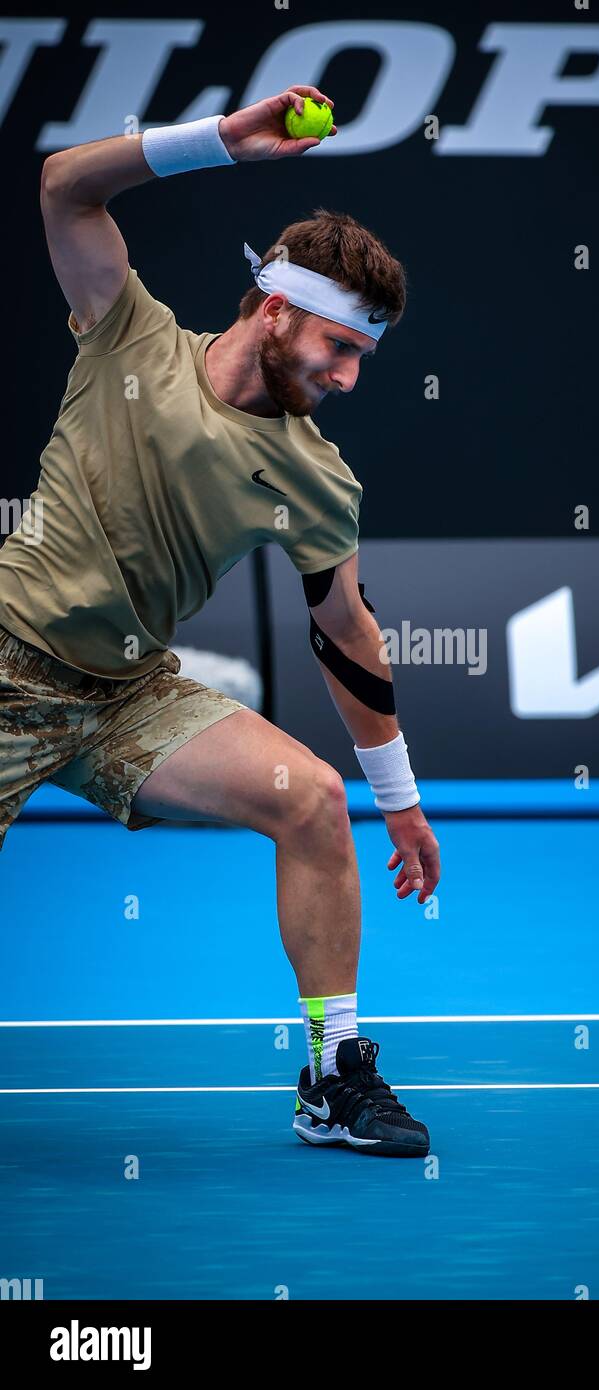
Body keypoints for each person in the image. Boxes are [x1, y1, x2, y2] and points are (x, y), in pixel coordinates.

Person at [0, 84, 440, 1158]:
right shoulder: (126, 337)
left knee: (311, 804)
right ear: (272, 306)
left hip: (129, 694)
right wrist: (221, 146)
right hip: (7, 663)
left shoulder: (315, 477)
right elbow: (62, 186)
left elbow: (348, 635)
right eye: (334, 347)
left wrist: (404, 804)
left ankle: (332, 1076)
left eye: (360, 362)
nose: (342, 378)